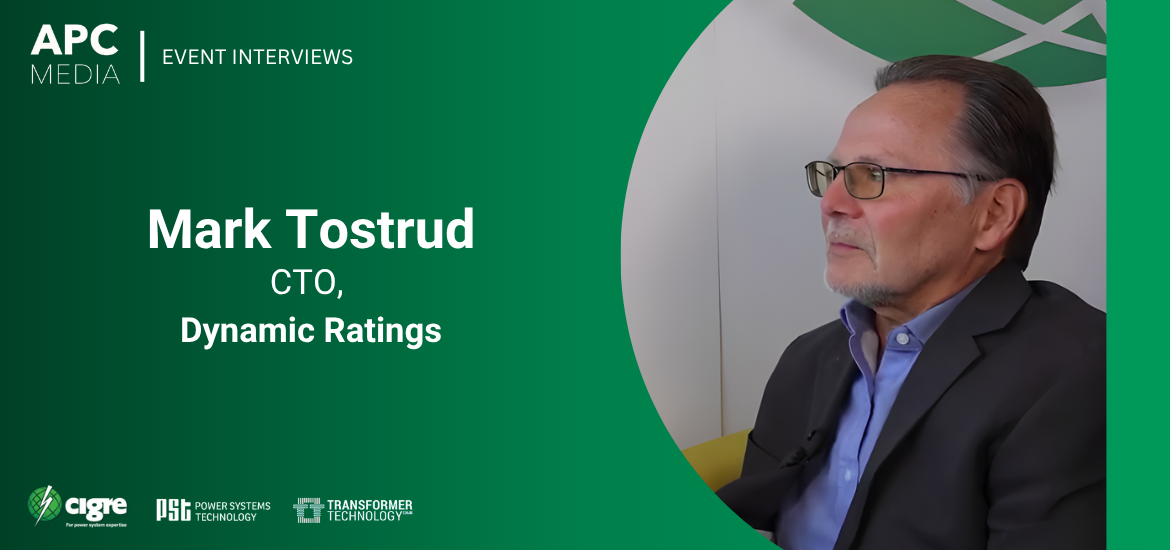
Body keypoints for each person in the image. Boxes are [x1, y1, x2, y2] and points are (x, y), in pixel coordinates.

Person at [715, 55, 1104, 550]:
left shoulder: (1082, 374)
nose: (831, 203)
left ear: (993, 214)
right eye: (833, 173)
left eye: (872, 174)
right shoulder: (807, 360)